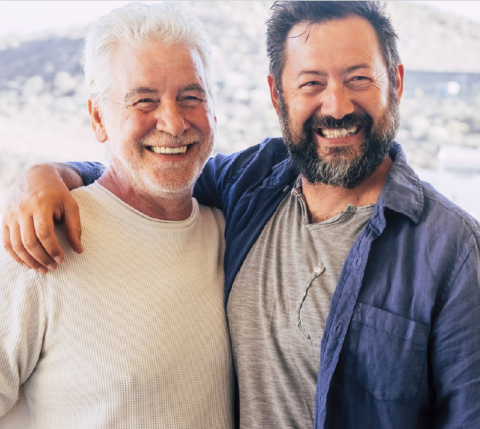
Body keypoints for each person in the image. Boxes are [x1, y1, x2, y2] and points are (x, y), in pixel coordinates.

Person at [3, 1, 480, 428]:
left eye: (359, 79)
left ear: (395, 82)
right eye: (311, 83)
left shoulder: (451, 247)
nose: (336, 105)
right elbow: (146, 173)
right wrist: (45, 175)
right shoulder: (252, 184)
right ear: (277, 96)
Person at [0, 3, 234, 428]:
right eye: (144, 101)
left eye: (191, 97)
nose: (174, 122)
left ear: (214, 109)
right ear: (98, 118)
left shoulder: (232, 234)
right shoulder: (39, 241)